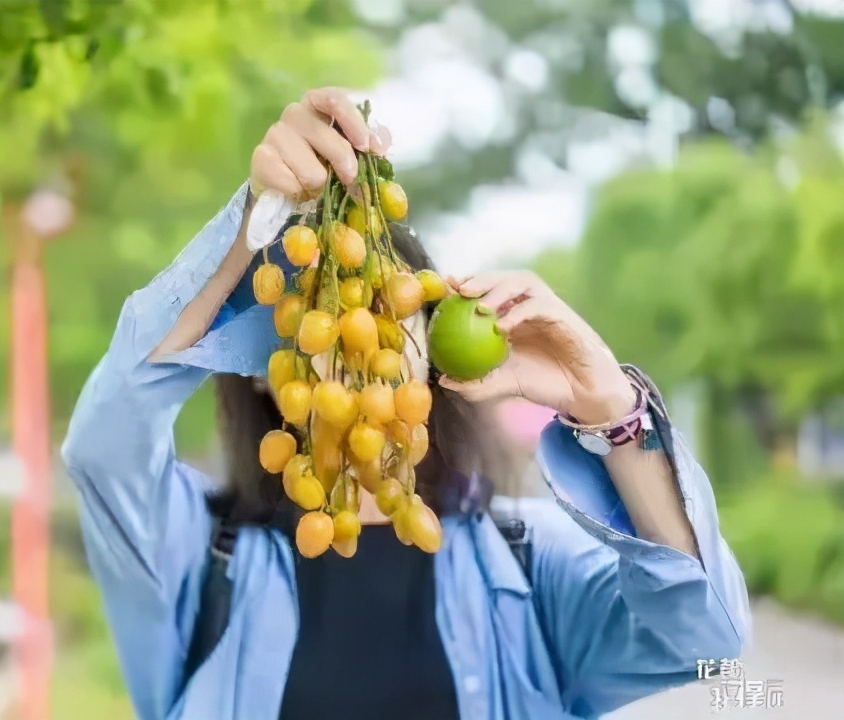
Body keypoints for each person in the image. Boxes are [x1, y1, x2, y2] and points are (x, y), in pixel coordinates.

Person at [61, 87, 751, 720]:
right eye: (318, 322)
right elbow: (104, 444)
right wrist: (256, 214)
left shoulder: (527, 562)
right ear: (259, 370)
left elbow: (705, 641)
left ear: (432, 349)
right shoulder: (194, 551)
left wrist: (610, 408)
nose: (357, 352)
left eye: (388, 318)